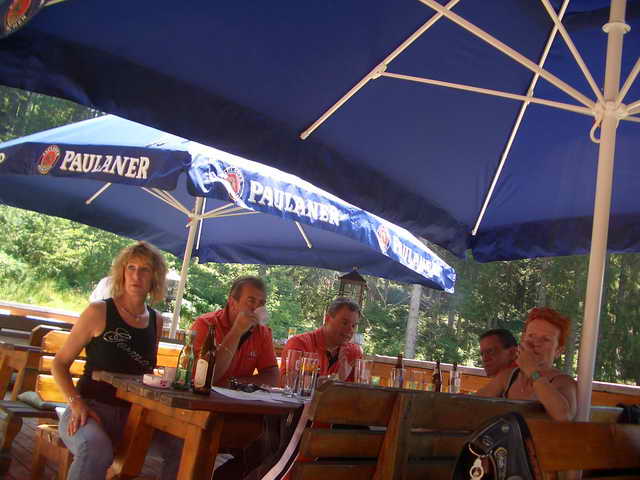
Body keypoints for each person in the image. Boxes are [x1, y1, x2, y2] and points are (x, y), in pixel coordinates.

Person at [52, 241, 181, 479]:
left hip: (135, 416)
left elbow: (145, 371)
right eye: (131, 267)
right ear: (122, 272)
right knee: (95, 449)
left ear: (155, 277)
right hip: (89, 409)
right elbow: (59, 364)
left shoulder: (156, 320)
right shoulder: (98, 311)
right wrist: (76, 403)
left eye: (144, 269)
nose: (136, 276)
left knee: (182, 445)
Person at [476, 307, 577, 421]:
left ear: (558, 350)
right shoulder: (508, 376)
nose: (536, 343)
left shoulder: (564, 382)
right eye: (531, 336)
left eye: (546, 339)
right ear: (523, 339)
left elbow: (564, 416)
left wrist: (533, 372)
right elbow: (473, 404)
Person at [191, 276, 279, 387]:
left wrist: (234, 383)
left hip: (238, 396)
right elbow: (203, 378)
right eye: (251, 301)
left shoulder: (262, 332)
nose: (256, 308)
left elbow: (272, 377)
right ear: (232, 302)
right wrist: (237, 331)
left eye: (261, 303)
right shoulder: (206, 324)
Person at [280, 297, 363, 381]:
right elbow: (288, 383)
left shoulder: (353, 353)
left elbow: (359, 387)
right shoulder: (299, 343)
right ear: (327, 319)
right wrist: (338, 379)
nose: (350, 330)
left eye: (353, 326)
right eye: (344, 323)